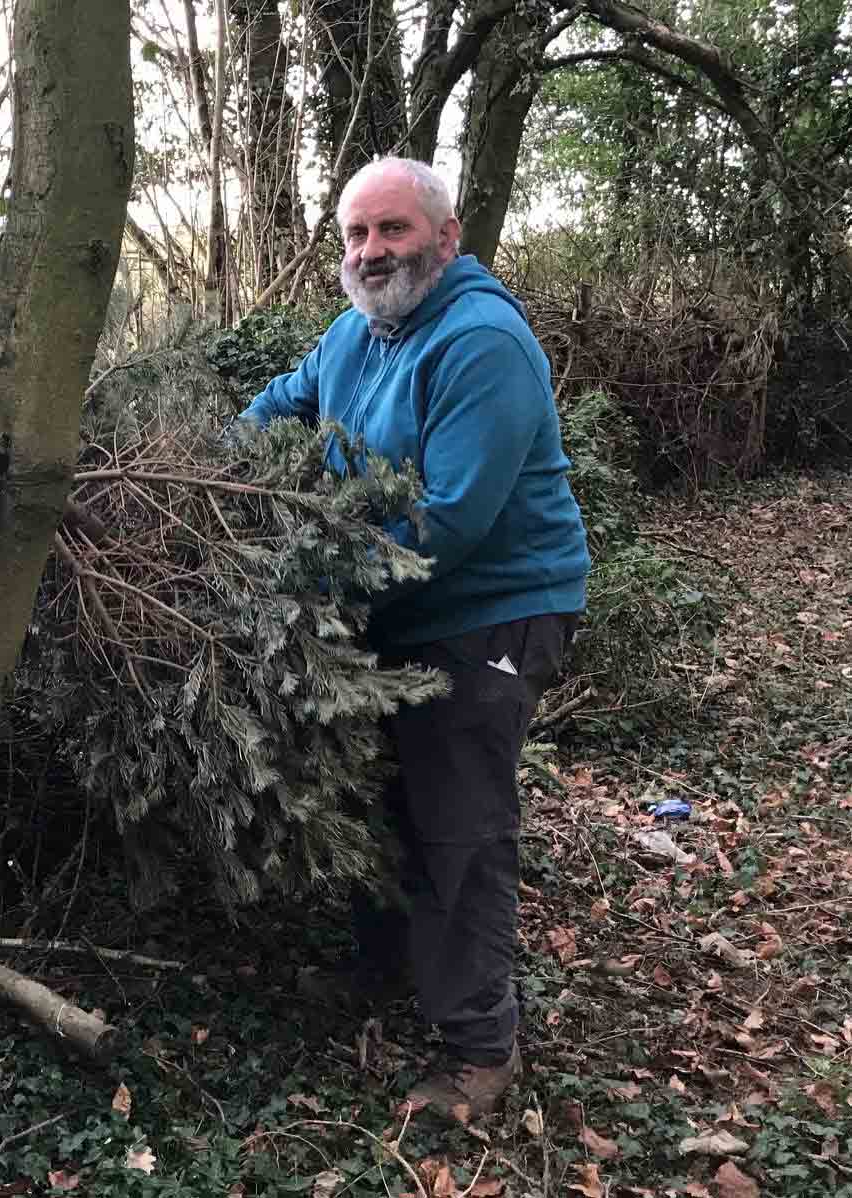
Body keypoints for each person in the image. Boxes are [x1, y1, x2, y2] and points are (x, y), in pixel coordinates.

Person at [235, 157, 591, 1119]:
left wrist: (300, 585)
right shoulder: (357, 332)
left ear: (446, 234)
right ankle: (384, 966)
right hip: (397, 607)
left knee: (456, 818)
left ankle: (482, 1048)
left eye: (391, 230)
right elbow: (278, 407)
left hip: (494, 611)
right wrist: (203, 472)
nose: (371, 251)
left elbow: (446, 522)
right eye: (356, 234)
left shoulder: (481, 343)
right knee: (380, 789)